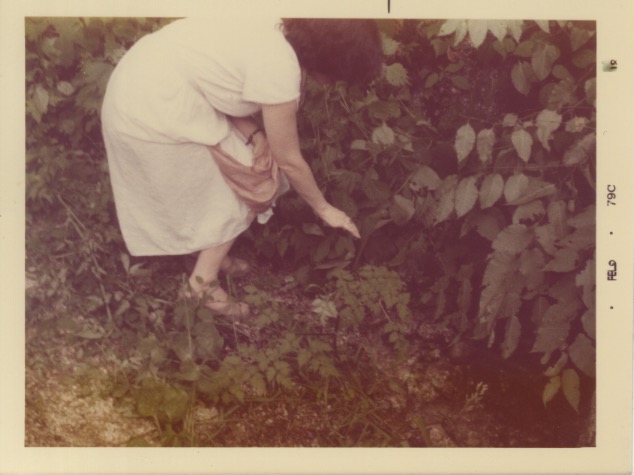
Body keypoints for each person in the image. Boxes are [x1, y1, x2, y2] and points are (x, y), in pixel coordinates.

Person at [101, 15, 383, 317]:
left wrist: (254, 133)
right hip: (151, 113)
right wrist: (324, 208)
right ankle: (201, 285)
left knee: (239, 168)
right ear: (331, 58)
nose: (335, 83)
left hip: (139, 86)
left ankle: (208, 252)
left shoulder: (274, 25)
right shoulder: (279, 65)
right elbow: (288, 158)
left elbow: (214, 81)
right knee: (257, 180)